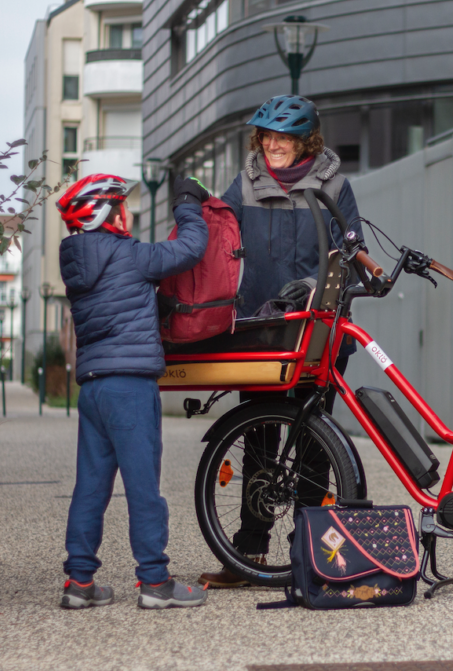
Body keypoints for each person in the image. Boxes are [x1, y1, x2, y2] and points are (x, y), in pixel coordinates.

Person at [198, 94, 363, 588]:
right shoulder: (244, 186)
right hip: (263, 332)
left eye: (284, 139)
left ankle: (308, 560)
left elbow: (351, 252)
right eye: (268, 137)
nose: (274, 146)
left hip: (317, 330)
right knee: (259, 445)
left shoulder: (335, 185)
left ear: (304, 141)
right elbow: (213, 238)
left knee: (315, 446)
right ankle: (247, 555)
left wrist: (316, 287)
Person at [57, 173, 209, 609]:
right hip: (130, 386)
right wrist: (187, 203)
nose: (128, 214)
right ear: (108, 214)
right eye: (122, 207)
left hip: (93, 388)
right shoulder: (130, 255)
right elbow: (190, 249)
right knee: (144, 487)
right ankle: (155, 583)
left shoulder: (76, 262)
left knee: (91, 486)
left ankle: (80, 583)